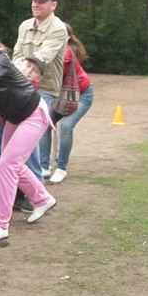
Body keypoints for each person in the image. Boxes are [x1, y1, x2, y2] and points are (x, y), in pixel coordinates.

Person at [0, 19, 57, 243]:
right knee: (11, 164)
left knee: (6, 165)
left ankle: (0, 224)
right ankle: (42, 198)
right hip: (14, 117)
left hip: (33, 113)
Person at [11, 0, 68, 177]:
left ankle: (35, 179)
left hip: (44, 88)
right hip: (22, 85)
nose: (36, 4)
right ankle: (20, 179)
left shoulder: (58, 29)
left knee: (29, 134)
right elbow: (17, 54)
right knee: (20, 133)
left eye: (41, 1)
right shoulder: (25, 25)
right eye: (34, 0)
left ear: (53, 5)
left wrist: (18, 72)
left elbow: (42, 58)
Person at [47, 23, 94, 184]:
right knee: (45, 123)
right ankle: (44, 165)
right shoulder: (50, 48)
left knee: (65, 126)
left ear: (67, 37)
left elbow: (47, 62)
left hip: (82, 95)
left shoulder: (66, 51)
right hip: (62, 96)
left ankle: (61, 168)